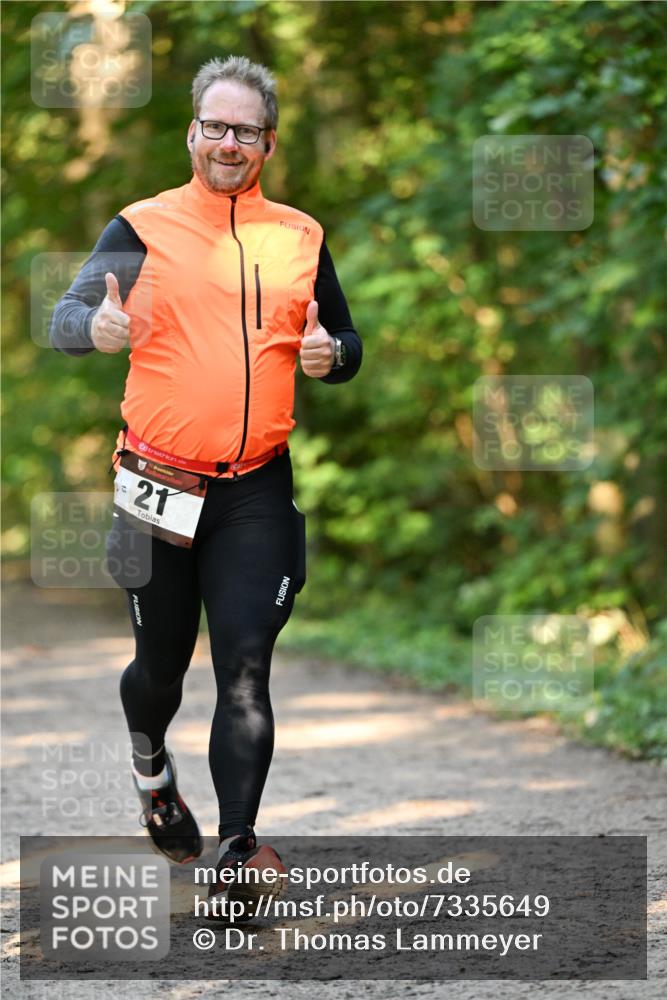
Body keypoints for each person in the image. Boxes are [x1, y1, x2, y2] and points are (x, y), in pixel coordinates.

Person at [49, 54, 362, 913]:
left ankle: (235, 848)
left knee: (245, 670)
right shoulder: (141, 225)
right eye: (216, 127)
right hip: (159, 485)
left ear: (268, 143)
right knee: (160, 667)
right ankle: (151, 769)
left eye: (246, 131)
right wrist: (94, 326)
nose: (230, 143)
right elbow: (64, 317)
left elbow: (344, 342)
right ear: (192, 132)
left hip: (256, 490)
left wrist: (334, 355)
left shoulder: (299, 236)